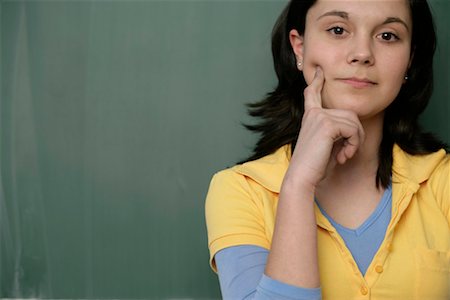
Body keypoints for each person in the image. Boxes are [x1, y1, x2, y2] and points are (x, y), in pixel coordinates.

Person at [205, 0, 450, 299]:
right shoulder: (240, 190)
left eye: (387, 36)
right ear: (299, 47)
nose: (362, 54)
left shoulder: (441, 180)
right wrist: (298, 185)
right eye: (337, 29)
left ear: (410, 58)